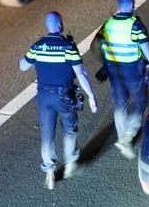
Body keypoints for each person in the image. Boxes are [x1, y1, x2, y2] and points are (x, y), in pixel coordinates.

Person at [20, 11, 97, 190]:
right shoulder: (68, 47)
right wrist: (91, 95)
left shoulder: (39, 46)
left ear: (47, 26)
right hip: (64, 96)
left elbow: (22, 66)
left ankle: (49, 173)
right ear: (60, 25)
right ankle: (70, 164)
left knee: (47, 134)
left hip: (44, 96)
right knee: (69, 129)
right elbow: (81, 73)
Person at [94, 0, 149, 159]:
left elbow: (94, 46)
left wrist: (105, 63)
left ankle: (121, 137)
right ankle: (128, 135)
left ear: (118, 6)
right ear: (132, 6)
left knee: (120, 103)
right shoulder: (135, 26)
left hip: (114, 69)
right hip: (132, 69)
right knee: (140, 101)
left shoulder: (108, 24)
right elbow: (148, 51)